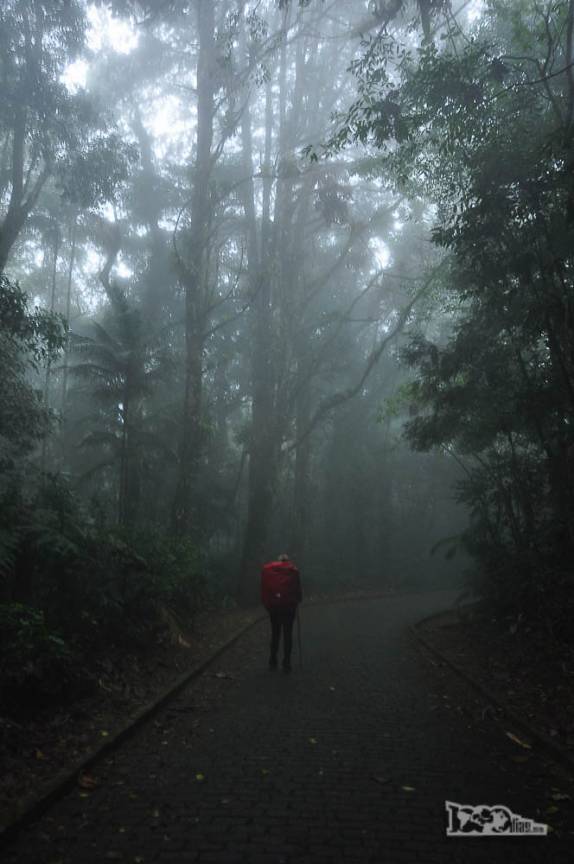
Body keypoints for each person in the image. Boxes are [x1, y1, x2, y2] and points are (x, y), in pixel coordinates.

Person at [260, 553, 302, 673]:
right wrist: (298, 599)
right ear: (287, 561)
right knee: (288, 634)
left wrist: (267, 603)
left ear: (279, 560)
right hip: (289, 607)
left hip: (274, 607)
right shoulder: (293, 571)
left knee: (275, 633)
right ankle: (287, 663)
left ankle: (273, 660)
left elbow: (265, 588)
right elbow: (298, 589)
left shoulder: (270, 571)